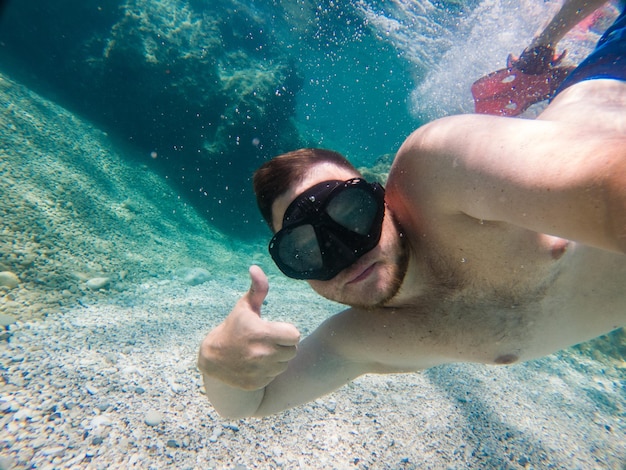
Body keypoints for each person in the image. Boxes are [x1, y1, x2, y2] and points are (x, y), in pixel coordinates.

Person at [198, 0, 626, 419]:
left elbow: (608, 192)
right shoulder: (371, 339)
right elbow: (252, 403)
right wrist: (218, 364)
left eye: (350, 212)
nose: (347, 253)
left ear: (381, 196)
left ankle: (542, 49)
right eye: (307, 249)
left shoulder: (438, 170)